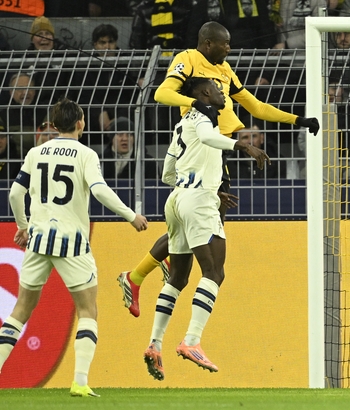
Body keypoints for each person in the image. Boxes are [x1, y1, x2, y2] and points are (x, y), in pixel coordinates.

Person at [117, 21, 320, 318]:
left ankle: (143, 276)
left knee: (202, 225)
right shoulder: (187, 59)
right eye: (224, 43)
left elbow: (257, 107)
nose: (229, 48)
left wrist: (298, 120)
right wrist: (198, 104)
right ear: (207, 43)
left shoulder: (225, 71)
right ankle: (142, 279)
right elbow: (162, 93)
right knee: (207, 235)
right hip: (200, 149)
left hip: (218, 154)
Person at [3, 98, 148, 397]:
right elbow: (99, 190)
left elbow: (16, 194)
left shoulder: (35, 153)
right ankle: (80, 381)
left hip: (39, 240)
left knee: (20, 311)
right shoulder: (86, 155)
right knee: (87, 310)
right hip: (72, 243)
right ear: (81, 123)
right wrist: (130, 215)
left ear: (54, 125)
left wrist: (23, 226)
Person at [142, 77, 268, 379]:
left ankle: (154, 344)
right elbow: (209, 138)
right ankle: (192, 341)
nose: (223, 92)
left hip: (176, 199)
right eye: (217, 88)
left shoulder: (182, 124)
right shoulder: (203, 117)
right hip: (196, 201)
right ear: (204, 93)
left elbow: (167, 173)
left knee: (178, 277)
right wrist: (242, 146)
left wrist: (195, 186)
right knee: (214, 272)